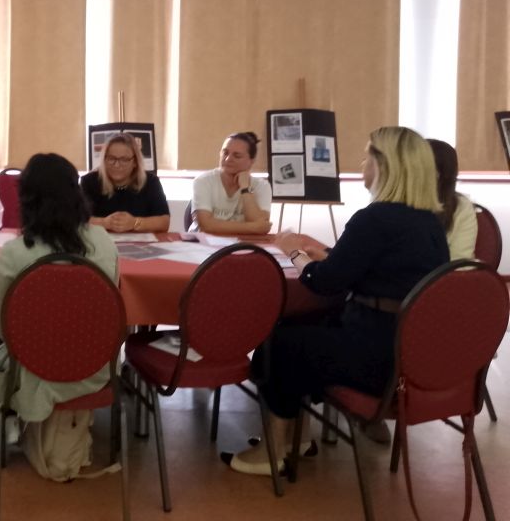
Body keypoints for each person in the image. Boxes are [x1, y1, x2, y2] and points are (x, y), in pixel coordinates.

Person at [223, 126, 449, 475]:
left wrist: (294, 251)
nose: (362, 164)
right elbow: (384, 272)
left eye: (367, 157)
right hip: (412, 352)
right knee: (299, 324)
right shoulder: (428, 223)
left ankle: (273, 451)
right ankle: (297, 439)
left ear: (384, 166)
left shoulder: (374, 218)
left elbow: (323, 283)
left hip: (378, 356)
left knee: (279, 341)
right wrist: (328, 255)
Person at [0, 153, 119, 477]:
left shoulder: (15, 253)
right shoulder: (104, 243)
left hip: (34, 369)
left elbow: (3, 327)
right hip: (95, 367)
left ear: (27, 199)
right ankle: (9, 425)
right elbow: (111, 313)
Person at [79, 133, 170, 233]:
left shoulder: (151, 182)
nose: (117, 165)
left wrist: (134, 223)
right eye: (111, 158)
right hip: (100, 240)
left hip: (140, 241)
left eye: (124, 160)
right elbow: (76, 219)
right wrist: (104, 222)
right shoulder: (89, 182)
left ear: (135, 162)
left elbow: (164, 222)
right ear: (104, 160)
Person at [191, 131, 272, 235]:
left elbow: (261, 226)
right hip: (205, 241)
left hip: (245, 242)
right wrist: (252, 227)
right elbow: (206, 225)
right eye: (225, 153)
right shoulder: (203, 181)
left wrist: (245, 189)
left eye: (237, 156)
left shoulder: (262, 186)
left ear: (251, 161)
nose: (228, 159)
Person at [429, 138, 478, 260]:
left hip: (443, 270)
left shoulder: (461, 206)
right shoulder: (397, 203)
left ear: (437, 173)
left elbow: (460, 260)